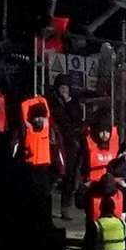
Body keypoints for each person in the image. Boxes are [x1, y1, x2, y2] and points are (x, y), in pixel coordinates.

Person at [50, 74, 84, 220]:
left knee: (69, 176)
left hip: (69, 144)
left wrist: (68, 101)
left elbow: (76, 118)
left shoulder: (73, 102)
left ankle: (65, 208)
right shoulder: (53, 102)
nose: (63, 90)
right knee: (53, 175)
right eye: (61, 87)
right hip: (55, 142)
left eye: (66, 87)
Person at [19, 93, 55, 228]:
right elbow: (24, 106)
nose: (39, 119)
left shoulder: (46, 127)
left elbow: (46, 106)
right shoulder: (28, 128)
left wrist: (39, 98)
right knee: (33, 197)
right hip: (31, 167)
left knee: (46, 197)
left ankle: (46, 221)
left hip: (44, 167)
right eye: (36, 117)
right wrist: (32, 100)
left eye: (41, 116)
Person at [79, 119, 120, 184]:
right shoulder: (89, 146)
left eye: (107, 132)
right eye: (102, 132)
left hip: (111, 185)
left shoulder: (114, 145)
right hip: (94, 184)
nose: (104, 135)